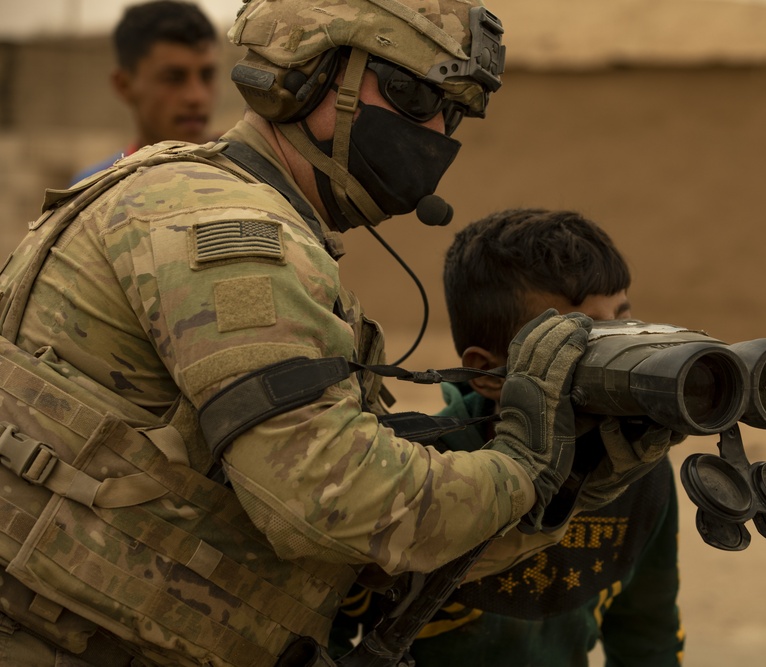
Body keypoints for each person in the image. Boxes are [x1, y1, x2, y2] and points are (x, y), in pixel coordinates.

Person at [0, 1, 676, 666]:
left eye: (456, 112)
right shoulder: (224, 231)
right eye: (415, 96)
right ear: (311, 76)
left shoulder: (232, 215)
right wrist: (523, 468)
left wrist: (571, 478)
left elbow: (362, 561)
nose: (439, 130)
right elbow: (330, 501)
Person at [331, 208, 685, 666]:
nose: (617, 353)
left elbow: (647, 638)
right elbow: (323, 632)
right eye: (575, 341)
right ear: (488, 373)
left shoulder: (637, 472)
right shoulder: (416, 469)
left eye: (621, 324)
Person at [69, 0, 219, 184]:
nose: (197, 97)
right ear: (123, 85)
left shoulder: (248, 174)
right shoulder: (95, 191)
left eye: (207, 76)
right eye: (174, 78)